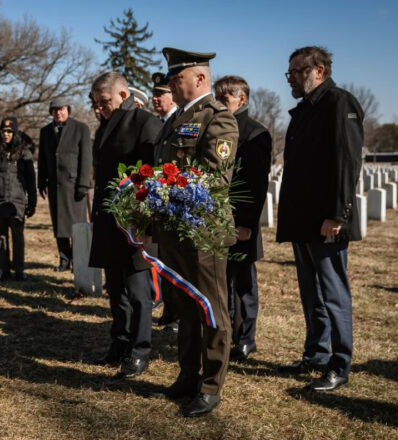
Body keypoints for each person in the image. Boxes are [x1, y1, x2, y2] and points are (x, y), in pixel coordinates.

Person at [151, 48, 238, 417]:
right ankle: (188, 375)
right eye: (170, 79)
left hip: (203, 230)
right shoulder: (177, 119)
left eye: (176, 79)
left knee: (211, 308)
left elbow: (215, 177)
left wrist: (166, 190)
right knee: (184, 305)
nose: (171, 84)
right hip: (174, 228)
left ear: (200, 79)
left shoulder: (218, 118)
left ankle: (210, 385)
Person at [276, 46, 363, 392]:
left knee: (332, 292)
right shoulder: (305, 110)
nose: (292, 79)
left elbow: (346, 162)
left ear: (320, 70)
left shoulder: (339, 103)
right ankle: (316, 354)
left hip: (326, 220)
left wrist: (336, 214)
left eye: (298, 72)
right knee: (311, 293)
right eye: (290, 73)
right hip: (302, 218)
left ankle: (339, 364)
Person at [89, 72, 162, 379]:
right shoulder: (105, 125)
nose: (98, 108)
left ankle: (140, 349)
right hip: (108, 222)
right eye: (95, 102)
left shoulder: (146, 123)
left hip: (133, 224)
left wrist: (144, 223)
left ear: (122, 95)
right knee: (115, 288)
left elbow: (152, 177)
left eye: (103, 101)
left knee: (138, 292)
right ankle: (119, 342)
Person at [214, 75, 272, 361]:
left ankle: (247, 338)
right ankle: (228, 334)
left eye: (225, 99)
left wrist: (247, 223)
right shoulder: (216, 129)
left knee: (244, 283)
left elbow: (257, 182)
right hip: (216, 218)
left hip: (241, 221)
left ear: (242, 99)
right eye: (218, 98)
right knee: (222, 281)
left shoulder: (254, 132)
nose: (220, 104)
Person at [0, 117, 37, 281]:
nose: (6, 134)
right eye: (4, 131)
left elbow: (31, 180)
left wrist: (32, 202)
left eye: (10, 131)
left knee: (18, 237)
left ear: (15, 132)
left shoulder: (24, 152)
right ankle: (4, 269)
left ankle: (19, 269)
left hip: (17, 202)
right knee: (1, 238)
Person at [37, 98, 92, 272]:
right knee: (59, 225)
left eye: (61, 109)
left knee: (76, 225)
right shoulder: (45, 131)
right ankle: (64, 259)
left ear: (68, 109)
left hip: (74, 185)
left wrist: (83, 183)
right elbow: (43, 158)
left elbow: (86, 158)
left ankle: (78, 260)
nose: (58, 113)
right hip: (55, 185)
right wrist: (41, 181)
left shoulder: (80, 128)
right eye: (55, 110)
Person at [150, 71, 180, 329]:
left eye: (161, 93)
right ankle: (170, 311)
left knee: (177, 264)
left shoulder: (181, 122)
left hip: (178, 204)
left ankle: (178, 313)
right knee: (165, 262)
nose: (155, 98)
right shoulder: (159, 124)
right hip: (161, 205)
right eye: (154, 94)